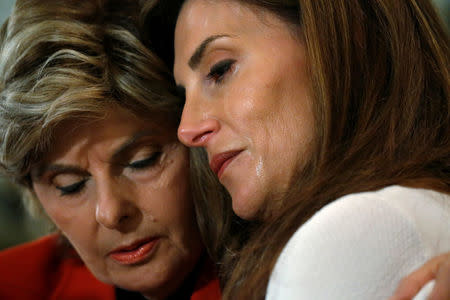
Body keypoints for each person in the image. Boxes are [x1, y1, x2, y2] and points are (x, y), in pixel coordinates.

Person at [144, 0, 450, 299]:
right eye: (185, 95)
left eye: (220, 70)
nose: (187, 129)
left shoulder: (344, 240)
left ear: (338, 41)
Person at [0, 0, 224, 299]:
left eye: (142, 162)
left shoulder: (289, 270)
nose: (111, 211)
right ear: (32, 190)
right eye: (70, 186)